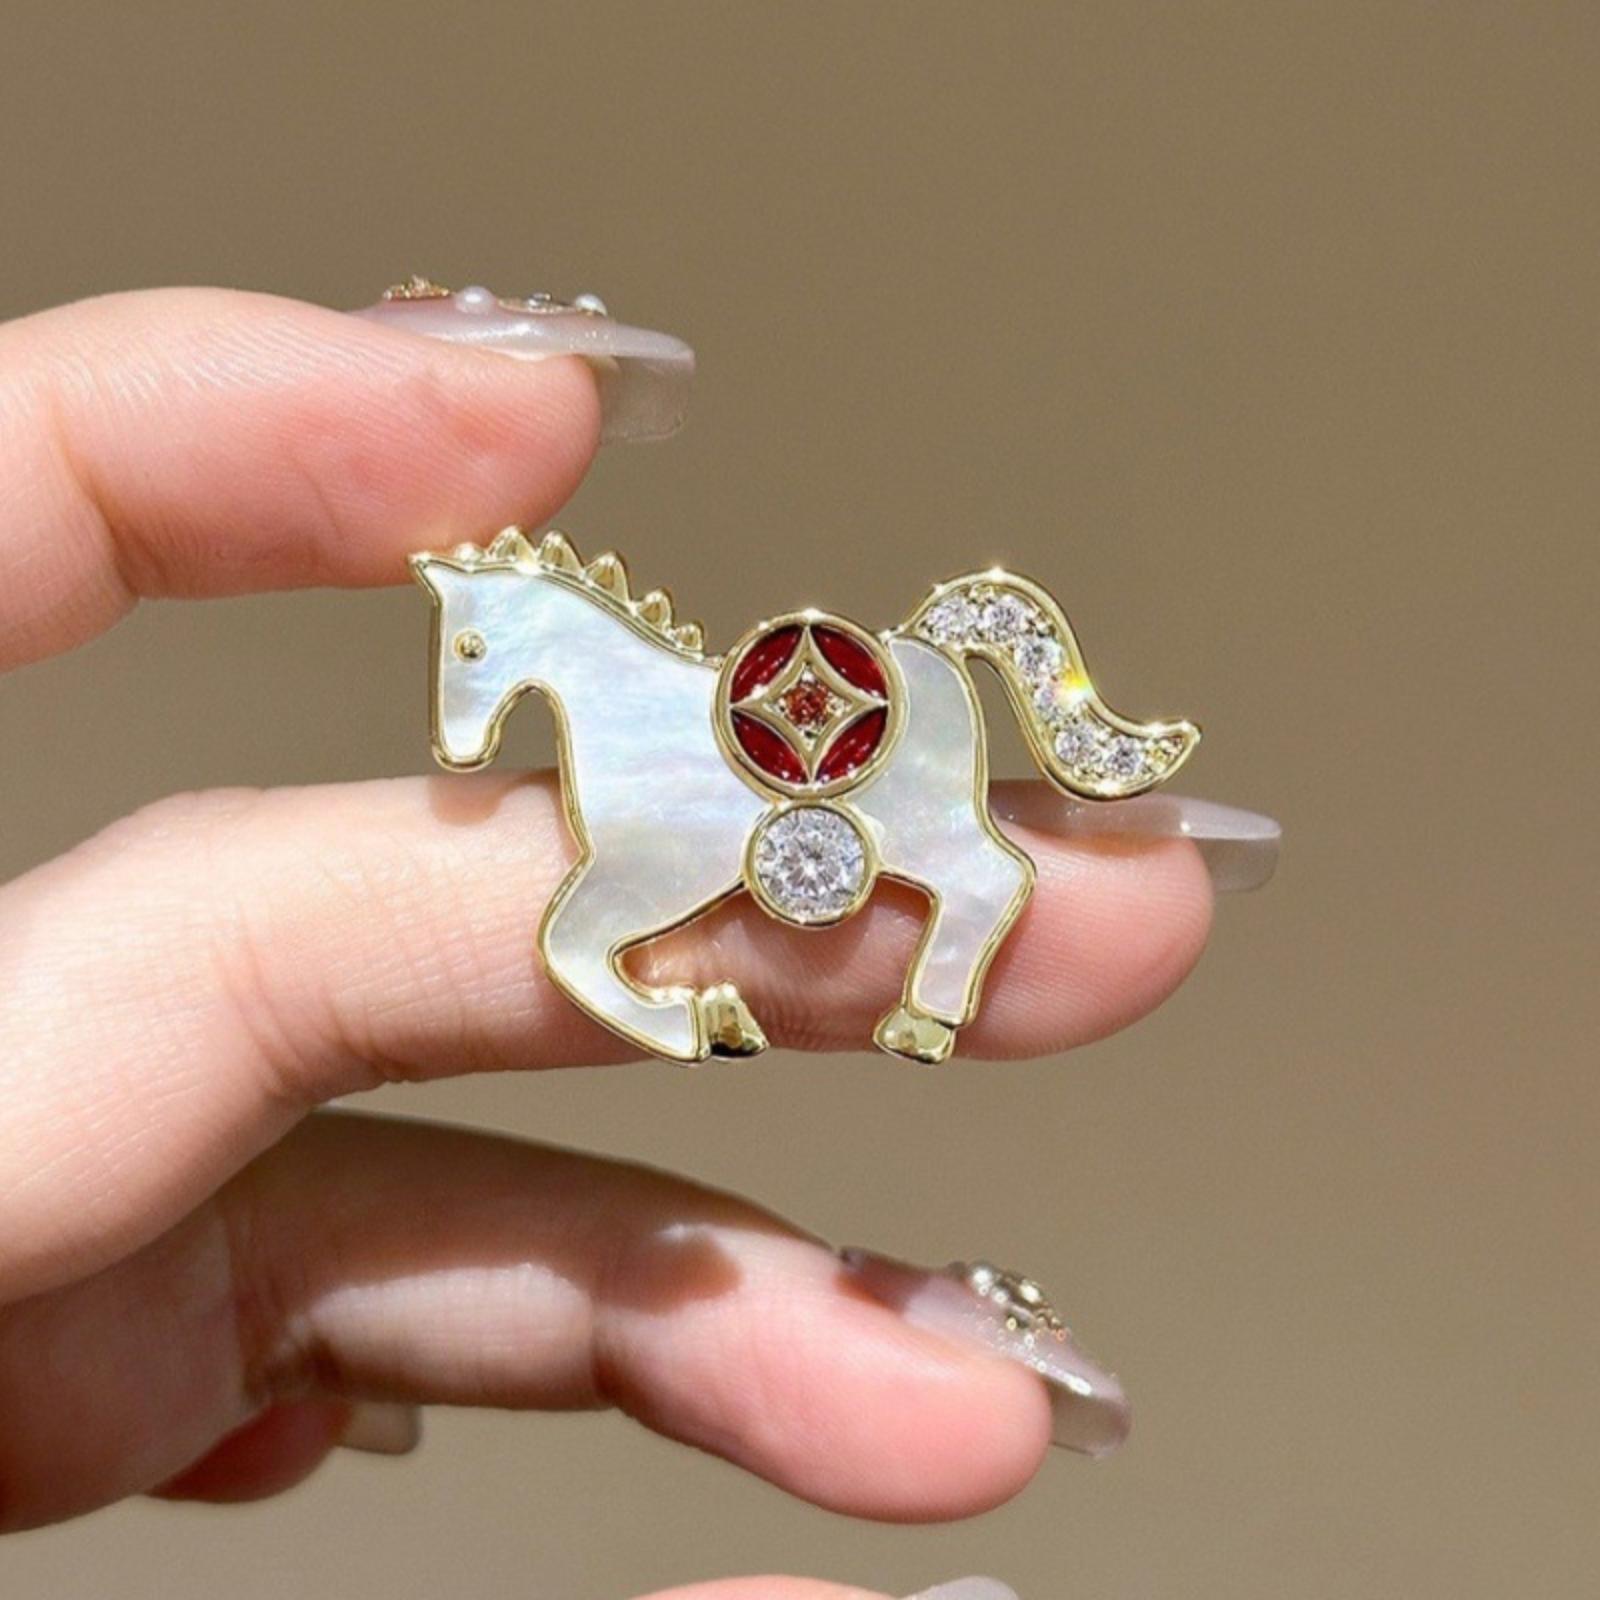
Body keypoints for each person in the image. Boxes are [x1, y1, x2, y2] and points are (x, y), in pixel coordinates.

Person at [0, 287, 1213, 1599]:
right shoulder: (613, 745)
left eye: (474, 659)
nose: (460, 717)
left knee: (941, 868)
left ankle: (931, 977)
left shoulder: (651, 754)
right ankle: (758, 1000)